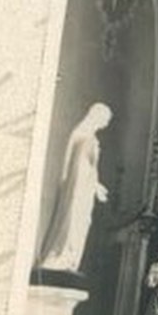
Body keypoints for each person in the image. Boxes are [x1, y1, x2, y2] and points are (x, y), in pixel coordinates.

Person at [39, 102, 113, 273]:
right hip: (79, 190)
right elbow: (79, 168)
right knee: (74, 222)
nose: (106, 123)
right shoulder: (84, 136)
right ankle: (64, 256)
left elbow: (89, 168)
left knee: (81, 222)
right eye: (106, 119)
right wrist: (92, 187)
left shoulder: (87, 136)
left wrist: (96, 186)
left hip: (84, 189)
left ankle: (70, 258)